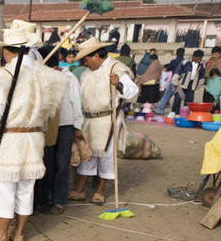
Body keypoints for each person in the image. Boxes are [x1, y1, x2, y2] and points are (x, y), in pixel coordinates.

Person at [0, 24, 67, 241]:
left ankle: (1, 236)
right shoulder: (47, 77)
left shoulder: (4, 76)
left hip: (10, 139)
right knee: (25, 189)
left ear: (8, 51)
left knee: (4, 188)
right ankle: (18, 234)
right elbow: (49, 113)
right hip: (34, 138)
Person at [70, 37, 139, 204]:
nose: (85, 63)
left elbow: (132, 91)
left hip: (108, 119)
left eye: (86, 59)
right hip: (89, 119)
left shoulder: (116, 69)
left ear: (95, 56)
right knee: (88, 154)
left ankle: (100, 191)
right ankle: (80, 191)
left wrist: (119, 85)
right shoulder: (87, 73)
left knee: (106, 157)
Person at [34, 45, 84, 215]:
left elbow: (76, 102)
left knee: (62, 164)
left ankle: (59, 199)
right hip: (45, 127)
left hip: (65, 126)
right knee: (46, 164)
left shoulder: (68, 78)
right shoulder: (37, 78)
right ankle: (42, 199)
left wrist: (77, 126)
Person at [171, 49, 205, 115]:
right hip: (181, 84)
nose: (199, 60)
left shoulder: (202, 65)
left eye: (200, 59)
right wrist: (175, 83)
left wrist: (198, 86)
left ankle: (186, 114)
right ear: (194, 57)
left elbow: (201, 77)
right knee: (178, 99)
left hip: (192, 85)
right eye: (198, 59)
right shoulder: (185, 62)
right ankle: (174, 113)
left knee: (189, 101)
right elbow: (177, 72)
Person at [155, 47, 186, 114]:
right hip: (180, 82)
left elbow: (167, 68)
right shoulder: (185, 62)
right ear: (183, 54)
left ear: (176, 54)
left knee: (167, 95)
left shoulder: (174, 61)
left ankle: (159, 109)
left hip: (173, 81)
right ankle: (176, 111)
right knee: (179, 97)